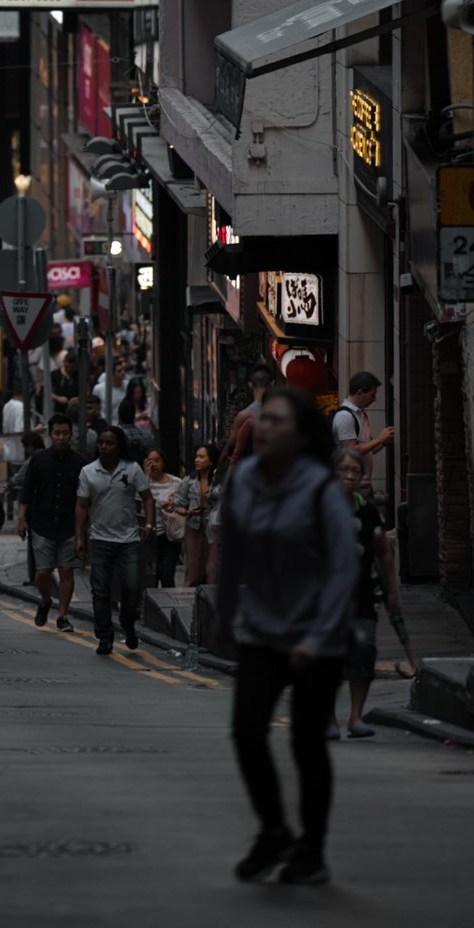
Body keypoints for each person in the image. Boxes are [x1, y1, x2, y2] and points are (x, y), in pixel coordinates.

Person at [218, 386, 358, 888]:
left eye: (278, 421)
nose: (265, 427)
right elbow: (231, 550)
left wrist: (318, 636)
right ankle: (274, 830)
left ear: (299, 437)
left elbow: (344, 569)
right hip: (262, 628)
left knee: (306, 744)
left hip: (317, 634)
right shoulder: (246, 479)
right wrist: (223, 618)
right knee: (247, 731)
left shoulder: (320, 489)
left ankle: (312, 852)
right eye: (263, 420)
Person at [330, 448, 415, 738]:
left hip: (365, 593)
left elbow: (384, 553)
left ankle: (355, 717)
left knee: (364, 651)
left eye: (356, 471)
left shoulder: (367, 511)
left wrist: (393, 592)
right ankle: (329, 720)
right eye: (345, 470)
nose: (352, 476)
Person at [75, 421, 154, 656]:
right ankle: (105, 636)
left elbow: (147, 498)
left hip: (128, 539)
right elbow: (81, 506)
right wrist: (80, 538)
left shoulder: (132, 469)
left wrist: (149, 523)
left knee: (131, 587)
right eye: (101, 443)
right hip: (100, 539)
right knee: (100, 590)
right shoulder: (88, 472)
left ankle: (129, 625)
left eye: (109, 443)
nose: (104, 447)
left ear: (119, 446)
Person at [18, 414, 83, 631]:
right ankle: (46, 600)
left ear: (71, 435)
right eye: (57, 433)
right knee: (43, 571)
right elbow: (27, 491)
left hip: (68, 525)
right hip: (42, 523)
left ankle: (63, 615)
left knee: (66, 570)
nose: (61, 438)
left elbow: (84, 500)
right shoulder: (38, 460)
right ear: (50, 435)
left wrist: (84, 531)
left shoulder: (80, 463)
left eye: (65, 433)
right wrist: (21, 519)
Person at [332, 371, 393, 487]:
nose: (374, 399)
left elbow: (369, 448)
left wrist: (384, 441)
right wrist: (379, 439)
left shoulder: (361, 415)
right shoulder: (345, 416)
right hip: (352, 484)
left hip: (363, 483)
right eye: (372, 395)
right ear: (360, 393)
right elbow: (350, 451)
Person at [175, 443, 221, 587]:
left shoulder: (219, 481)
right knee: (193, 569)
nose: (197, 460)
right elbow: (179, 505)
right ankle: (190, 599)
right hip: (194, 527)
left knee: (212, 568)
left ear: (211, 460)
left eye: (201, 457)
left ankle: (210, 600)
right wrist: (188, 512)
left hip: (213, 527)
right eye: (196, 457)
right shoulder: (189, 481)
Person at [221, 364, 274, 470]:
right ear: (272, 384)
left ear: (250, 385)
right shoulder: (284, 414)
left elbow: (228, 449)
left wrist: (217, 477)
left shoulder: (244, 416)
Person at [144, 448, 185, 587]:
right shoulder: (143, 482)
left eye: (157, 460)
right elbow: (138, 502)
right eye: (150, 461)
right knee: (150, 575)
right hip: (150, 533)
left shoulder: (176, 482)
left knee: (167, 573)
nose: (154, 464)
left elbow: (185, 503)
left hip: (170, 534)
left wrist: (175, 503)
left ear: (163, 463)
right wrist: (146, 477)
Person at [93, 354, 128, 419]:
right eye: (119, 371)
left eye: (123, 370)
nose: (123, 373)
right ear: (111, 374)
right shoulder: (99, 389)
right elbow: (95, 408)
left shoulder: (127, 386)